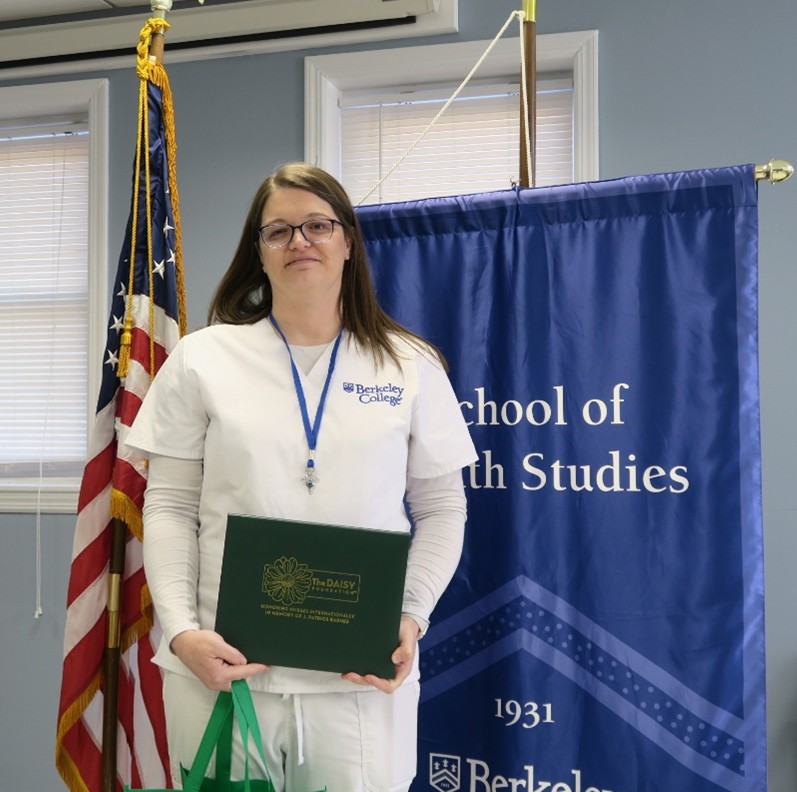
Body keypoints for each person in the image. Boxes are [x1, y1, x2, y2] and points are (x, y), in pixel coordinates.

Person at [126, 162, 477, 791]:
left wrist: (411, 614)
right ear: (257, 253)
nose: (300, 242)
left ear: (347, 243)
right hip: (223, 670)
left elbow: (443, 508)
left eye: (318, 225)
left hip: (358, 680)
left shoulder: (409, 365)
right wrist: (179, 630)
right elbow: (170, 506)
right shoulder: (204, 359)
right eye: (279, 231)